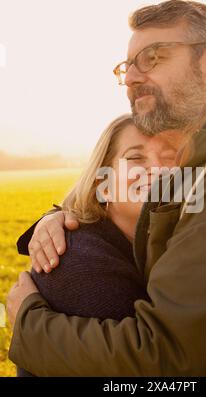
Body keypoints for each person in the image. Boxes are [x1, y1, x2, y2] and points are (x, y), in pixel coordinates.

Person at [7, 0, 206, 376]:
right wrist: (64, 215)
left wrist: (30, 327)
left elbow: (164, 359)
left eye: (153, 57)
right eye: (126, 66)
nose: (131, 77)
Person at [13, 113, 185, 376]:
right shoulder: (80, 262)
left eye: (169, 157)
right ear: (103, 184)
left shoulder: (169, 245)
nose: (158, 169)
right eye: (136, 158)